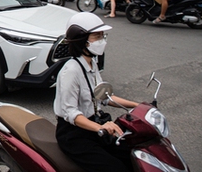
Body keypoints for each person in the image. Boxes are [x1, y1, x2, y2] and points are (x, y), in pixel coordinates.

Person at [54, 12, 139, 172]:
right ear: (82, 40)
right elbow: (71, 113)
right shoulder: (71, 71)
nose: (102, 41)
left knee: (131, 153)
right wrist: (100, 128)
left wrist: (138, 106)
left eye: (102, 36)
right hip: (74, 135)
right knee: (115, 168)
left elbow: (104, 97)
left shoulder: (92, 63)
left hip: (95, 125)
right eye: (97, 36)